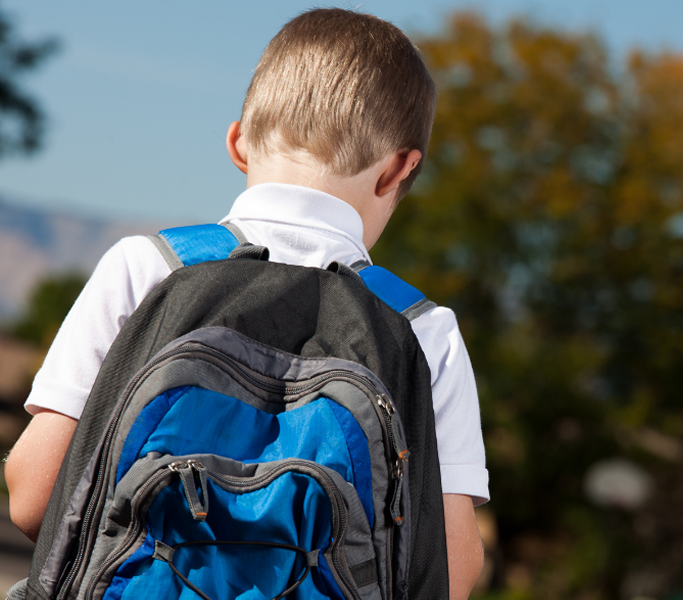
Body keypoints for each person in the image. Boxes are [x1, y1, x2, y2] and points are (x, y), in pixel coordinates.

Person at [4, 8, 487, 599]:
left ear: (237, 142)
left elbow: (34, 497)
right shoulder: (422, 330)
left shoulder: (150, 267)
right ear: (400, 171)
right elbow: (451, 571)